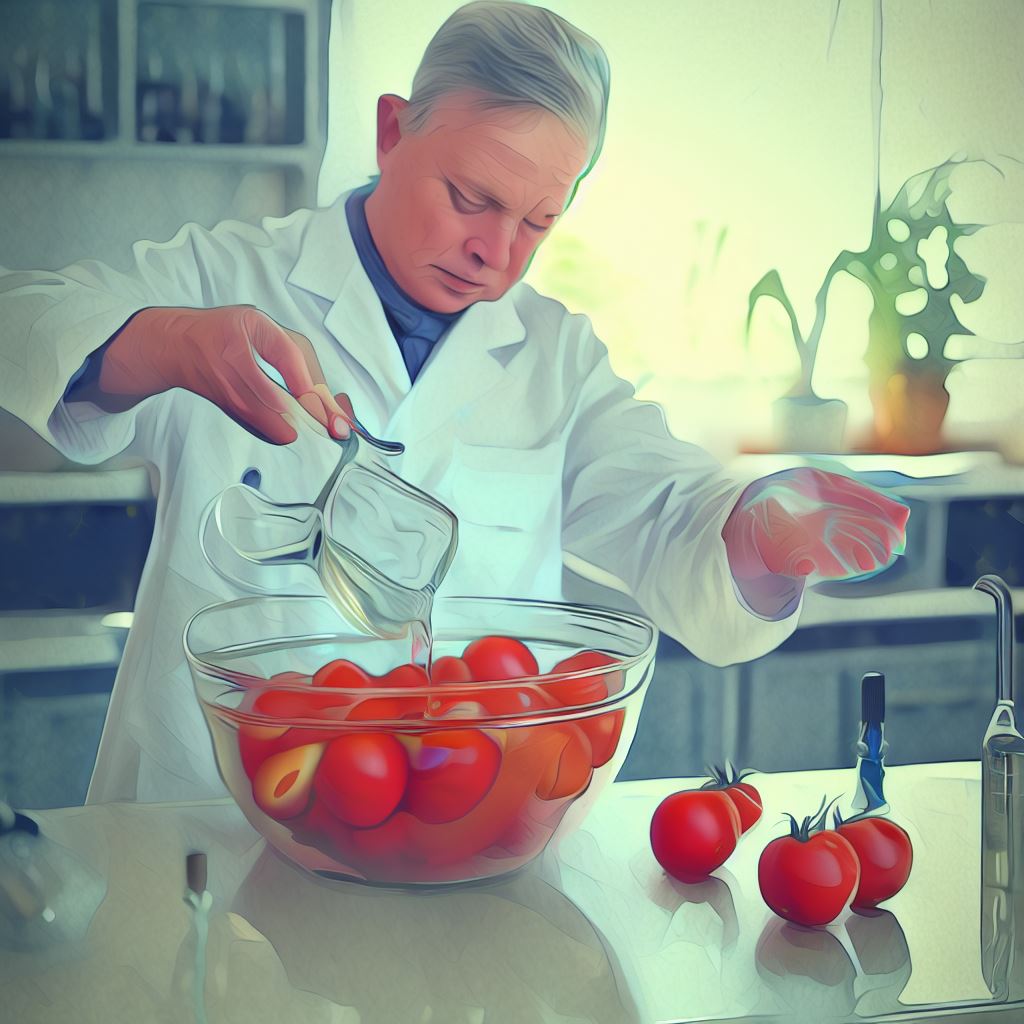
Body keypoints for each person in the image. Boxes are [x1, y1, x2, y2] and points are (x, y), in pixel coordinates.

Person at [0, 1, 907, 804]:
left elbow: (678, 517)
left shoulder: (558, 360)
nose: (497, 254)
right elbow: (21, 315)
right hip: (204, 829)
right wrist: (165, 342)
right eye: (471, 198)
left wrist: (757, 526)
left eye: (539, 221)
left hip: (462, 839)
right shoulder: (226, 274)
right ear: (393, 132)